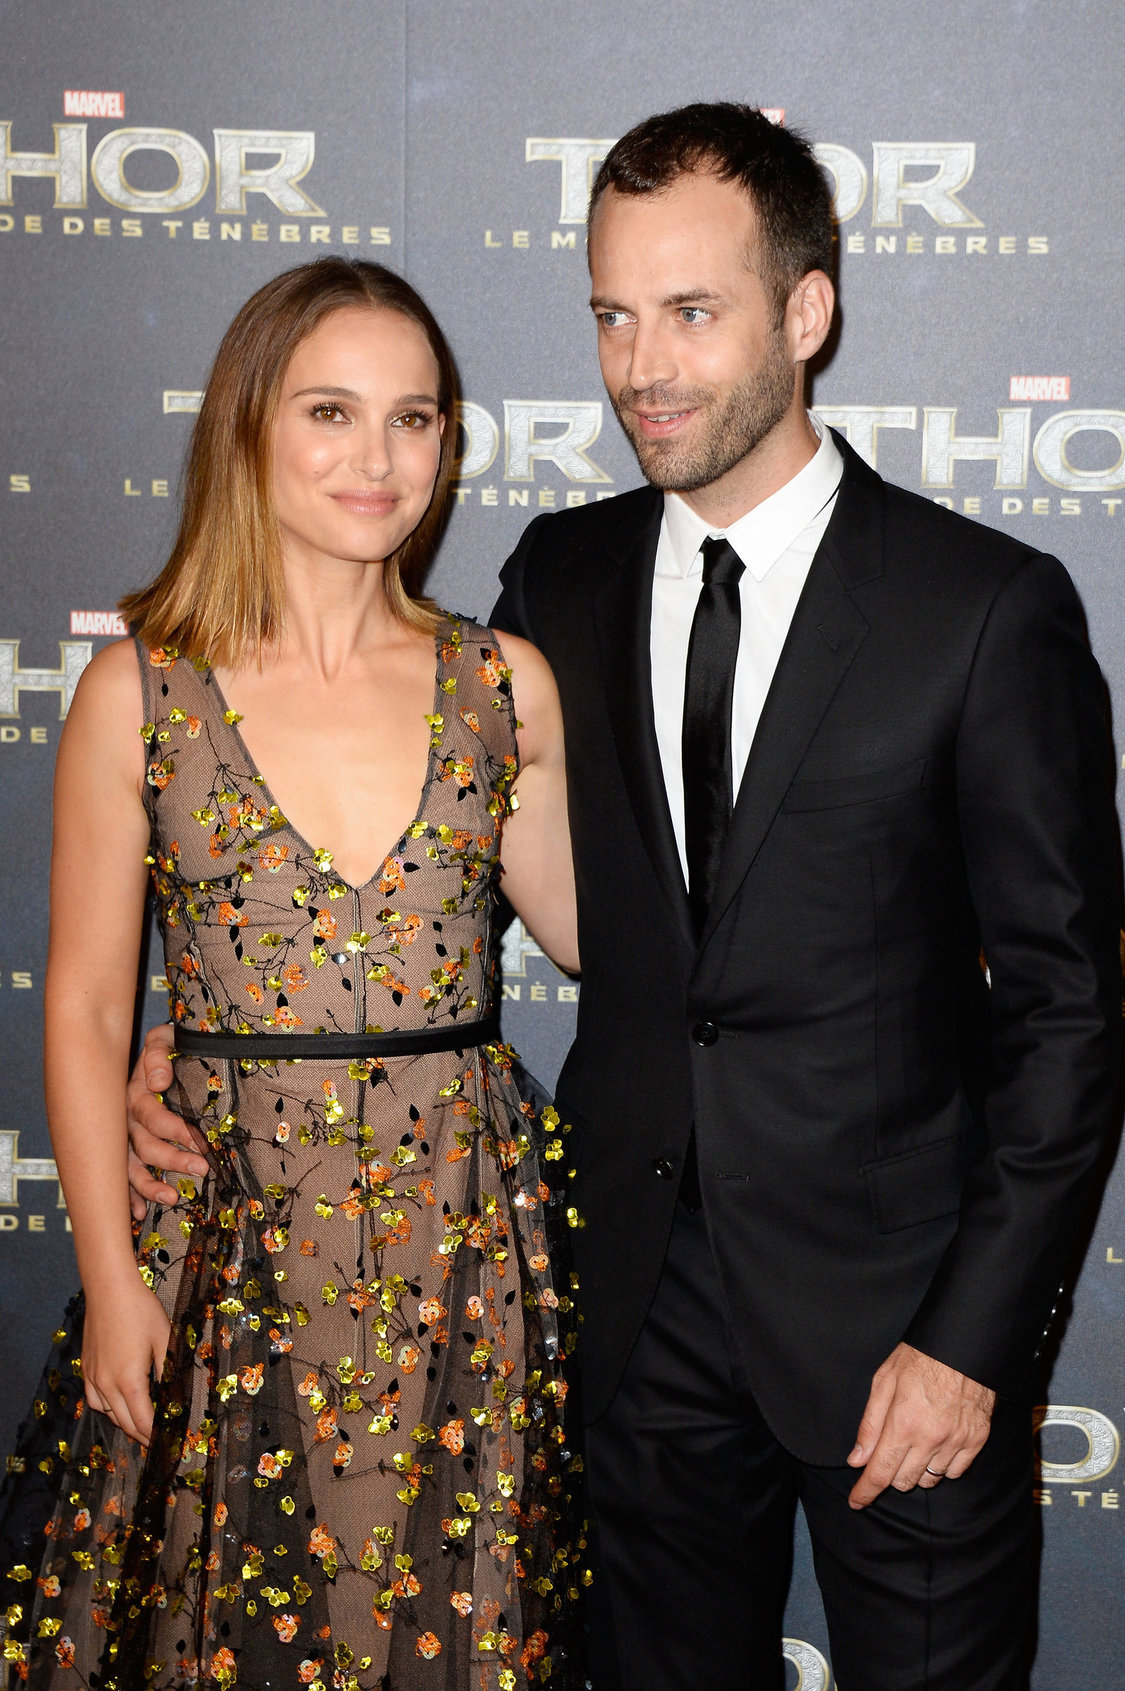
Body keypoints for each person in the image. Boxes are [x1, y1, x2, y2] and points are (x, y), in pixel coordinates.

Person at [124, 106, 1121, 1691]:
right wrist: (193, 1044)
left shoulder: (981, 608)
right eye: (609, 314)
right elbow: (421, 883)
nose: (640, 366)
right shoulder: (557, 583)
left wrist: (967, 1343)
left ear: (806, 314)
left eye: (691, 312)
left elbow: (1069, 1018)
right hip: (624, 1310)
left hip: (900, 1333)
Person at [0, 257, 587, 1690]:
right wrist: (107, 1277)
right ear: (250, 425)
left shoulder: (502, 683)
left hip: (467, 1256)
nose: (378, 459)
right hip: (223, 1244)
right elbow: (82, 1006)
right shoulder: (140, 688)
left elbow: (604, 944)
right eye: (331, 412)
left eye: (415, 418)